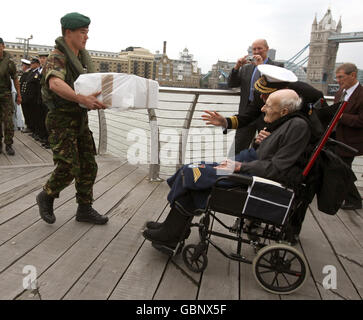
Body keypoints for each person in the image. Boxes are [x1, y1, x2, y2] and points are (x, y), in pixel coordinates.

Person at [143, 89, 311, 252]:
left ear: (283, 111)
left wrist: (239, 166)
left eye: (268, 105)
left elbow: (276, 168)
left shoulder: (297, 126)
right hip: (246, 166)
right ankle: (172, 228)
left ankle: (172, 231)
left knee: (191, 173)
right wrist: (259, 143)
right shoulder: (285, 122)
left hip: (248, 175)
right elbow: (271, 154)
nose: (262, 108)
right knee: (193, 170)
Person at [36, 12, 108, 225]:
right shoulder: (57, 56)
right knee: (69, 166)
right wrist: (81, 98)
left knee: (88, 165)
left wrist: (97, 100)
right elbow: (55, 84)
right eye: (82, 32)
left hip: (80, 120)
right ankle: (46, 195)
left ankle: (84, 209)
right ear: (69, 33)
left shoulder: (81, 60)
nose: (86, 37)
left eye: (87, 32)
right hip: (61, 120)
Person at [228, 39, 283, 155]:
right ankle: (229, 171)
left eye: (260, 48)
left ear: (267, 49)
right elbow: (232, 84)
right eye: (254, 49)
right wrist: (237, 67)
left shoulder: (277, 66)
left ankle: (255, 170)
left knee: (265, 146)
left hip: (267, 112)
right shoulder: (246, 68)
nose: (257, 51)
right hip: (247, 112)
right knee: (238, 147)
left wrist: (262, 67)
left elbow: (276, 85)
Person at [334, 63, 363, 210]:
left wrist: (340, 116)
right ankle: (349, 198)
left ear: (353, 75)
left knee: (342, 169)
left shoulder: (362, 94)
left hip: (351, 141)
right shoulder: (339, 93)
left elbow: (361, 120)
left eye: (341, 77)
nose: (338, 80)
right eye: (337, 77)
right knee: (340, 168)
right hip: (336, 138)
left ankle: (354, 200)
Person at [0, 37, 22, 155]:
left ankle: (9, 144)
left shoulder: (9, 63)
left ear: (3, 46)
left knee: (8, 120)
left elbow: (15, 79)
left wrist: (19, 95)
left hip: (6, 95)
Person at [37, 51, 50, 148]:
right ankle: (45, 138)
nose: (42, 60)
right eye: (40, 58)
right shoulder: (40, 70)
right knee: (42, 119)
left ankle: (50, 141)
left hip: (48, 98)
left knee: (49, 120)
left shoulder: (49, 69)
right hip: (41, 98)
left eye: (44, 58)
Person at [19, 59, 32, 133]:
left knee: (28, 113)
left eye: (23, 65)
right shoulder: (25, 73)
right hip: (24, 96)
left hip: (26, 97)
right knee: (26, 112)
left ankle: (29, 126)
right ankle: (28, 126)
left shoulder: (27, 74)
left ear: (26, 66)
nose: (22, 67)